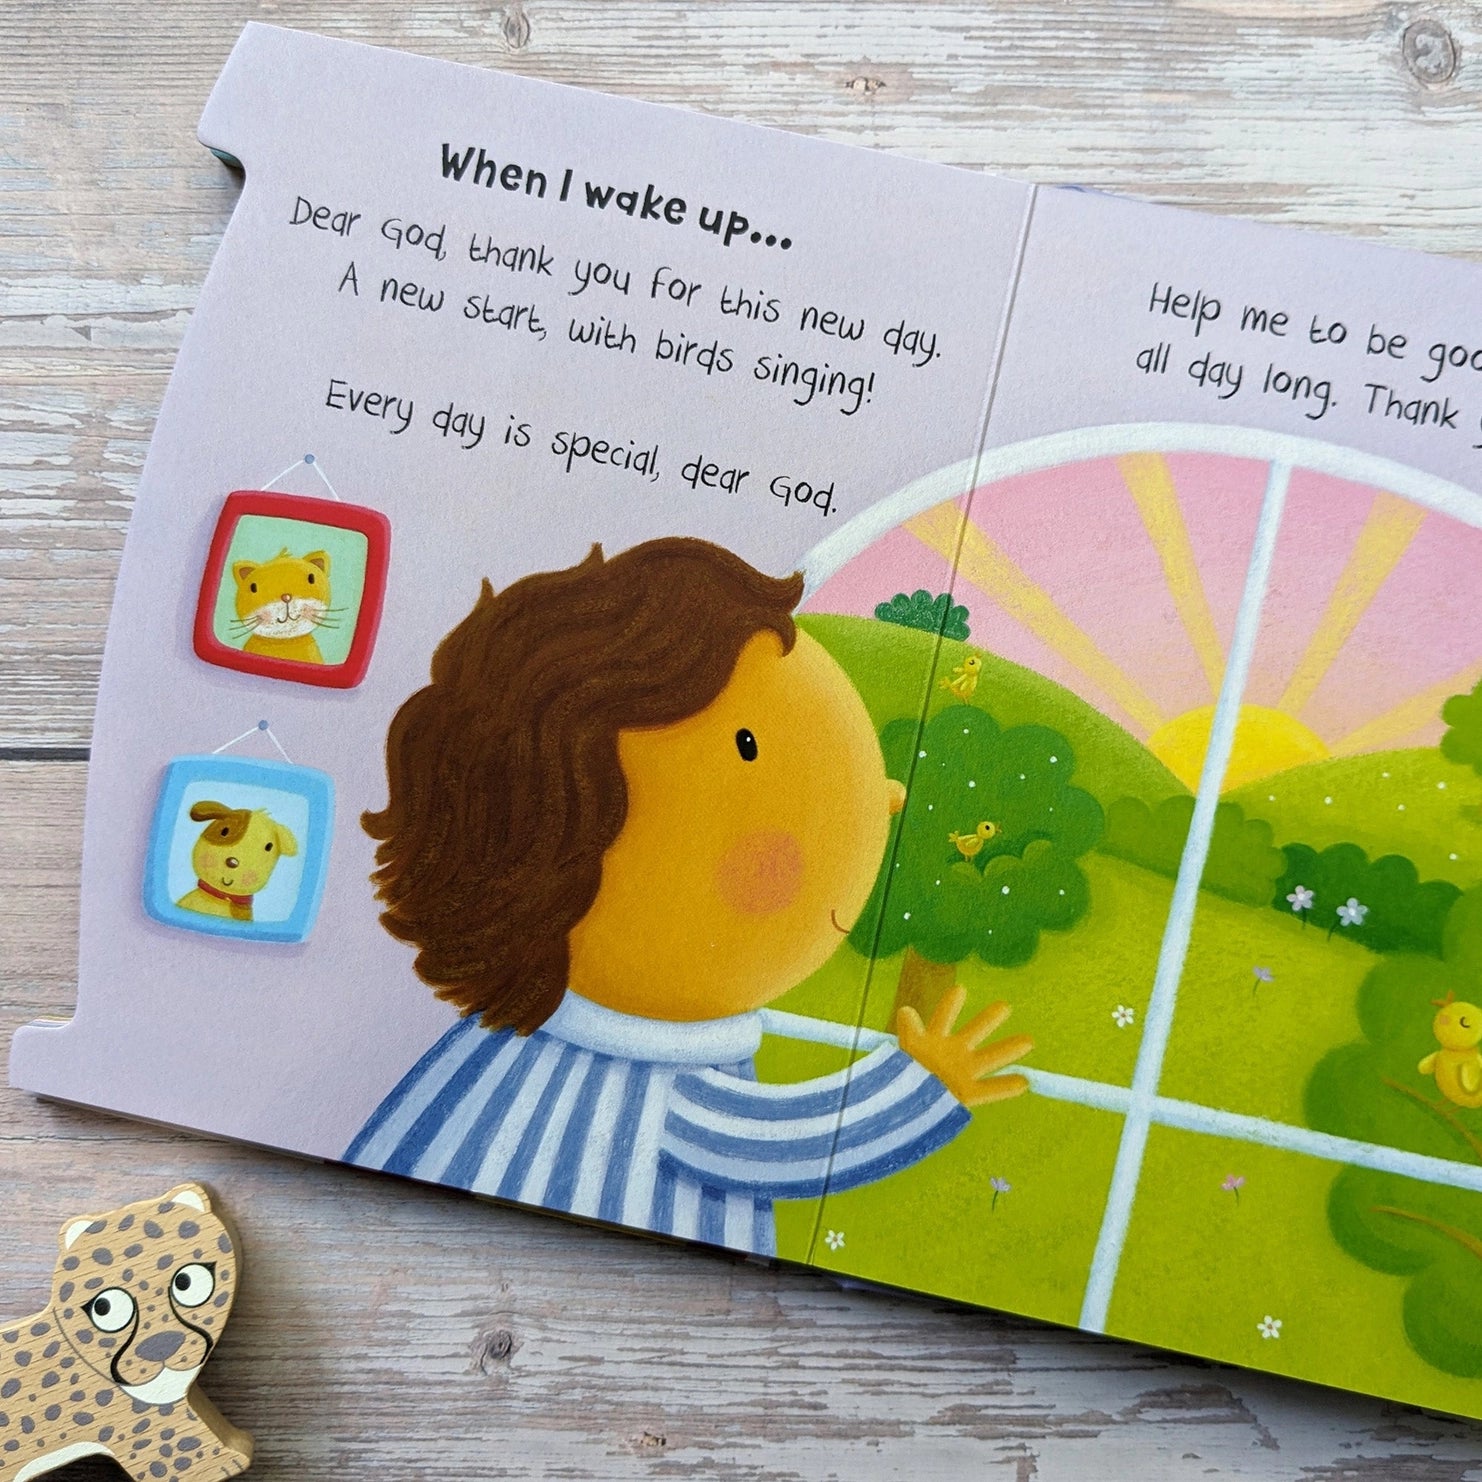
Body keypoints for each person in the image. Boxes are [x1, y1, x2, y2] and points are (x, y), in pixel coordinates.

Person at [345, 537, 1031, 1255]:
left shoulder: (516, 1044)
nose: (887, 799)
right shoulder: (641, 1078)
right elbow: (768, 1145)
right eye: (747, 746)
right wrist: (920, 1090)